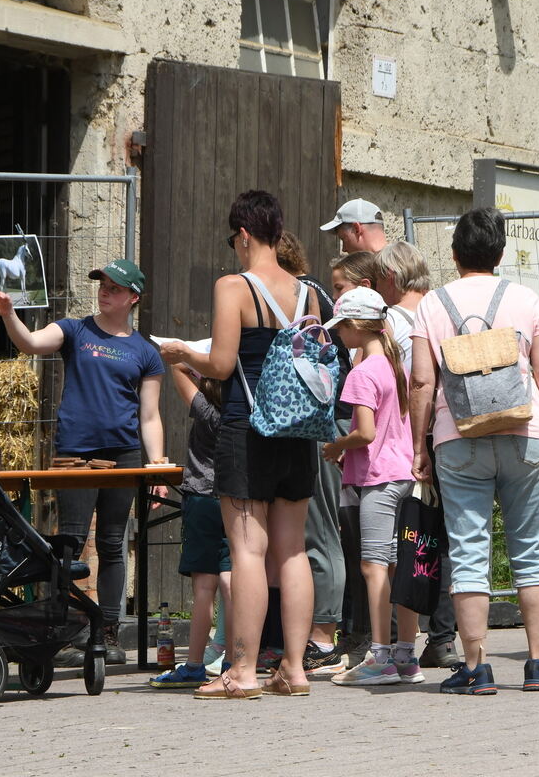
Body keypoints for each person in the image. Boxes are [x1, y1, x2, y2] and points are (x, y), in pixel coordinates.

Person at [160, 190, 319, 699]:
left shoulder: (233, 287)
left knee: (248, 550)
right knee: (292, 551)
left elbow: (223, 365)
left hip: (248, 428)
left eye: (235, 239)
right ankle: (294, 669)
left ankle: (244, 671)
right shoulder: (309, 292)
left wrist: (183, 352)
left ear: (244, 235)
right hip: (297, 431)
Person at [410, 207, 539, 695]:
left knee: (467, 551)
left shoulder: (432, 304)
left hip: (458, 439)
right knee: (530, 549)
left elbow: (421, 381)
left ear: (455, 254)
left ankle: (476, 666)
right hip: (528, 436)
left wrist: (421, 443)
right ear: (500, 254)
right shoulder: (525, 297)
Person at [0, 258, 167, 667]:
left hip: (124, 456)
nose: (105, 290)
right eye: (103, 283)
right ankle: (62, 629)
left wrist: (158, 466)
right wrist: (10, 315)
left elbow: (149, 416)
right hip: (75, 455)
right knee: (70, 542)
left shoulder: (146, 352)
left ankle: (108, 632)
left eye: (115, 287)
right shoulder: (73, 329)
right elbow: (29, 343)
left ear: (133, 298)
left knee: (113, 542)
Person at [319, 288, 422, 687]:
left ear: (357, 326)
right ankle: (405, 654)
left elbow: (364, 431)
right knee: (399, 566)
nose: (340, 335)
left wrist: (336, 447)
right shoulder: (396, 366)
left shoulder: (363, 373)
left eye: (342, 327)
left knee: (372, 564)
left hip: (377, 477)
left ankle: (380, 656)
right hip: (401, 475)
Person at [374, 242, 459, 669]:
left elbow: (406, 388)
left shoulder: (391, 323)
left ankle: (391, 637)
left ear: (391, 277)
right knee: (443, 538)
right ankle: (444, 638)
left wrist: (413, 448)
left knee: (404, 540)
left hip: (413, 442)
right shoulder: (444, 307)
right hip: (454, 433)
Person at [275, 232, 350, 677]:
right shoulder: (318, 290)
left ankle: (323, 637)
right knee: (317, 529)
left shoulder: (304, 294)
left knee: (322, 530)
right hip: (325, 420)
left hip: (322, 422)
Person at [150, 366, 232, 688]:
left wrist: (190, 357)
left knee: (203, 589)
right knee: (231, 580)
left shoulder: (205, 409)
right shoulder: (240, 413)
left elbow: (177, 367)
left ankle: (196, 663)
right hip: (235, 497)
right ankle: (233, 661)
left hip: (202, 499)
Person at [321, 198, 388, 253]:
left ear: (357, 229)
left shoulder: (385, 268)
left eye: (343, 239)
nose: (344, 249)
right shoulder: (396, 263)